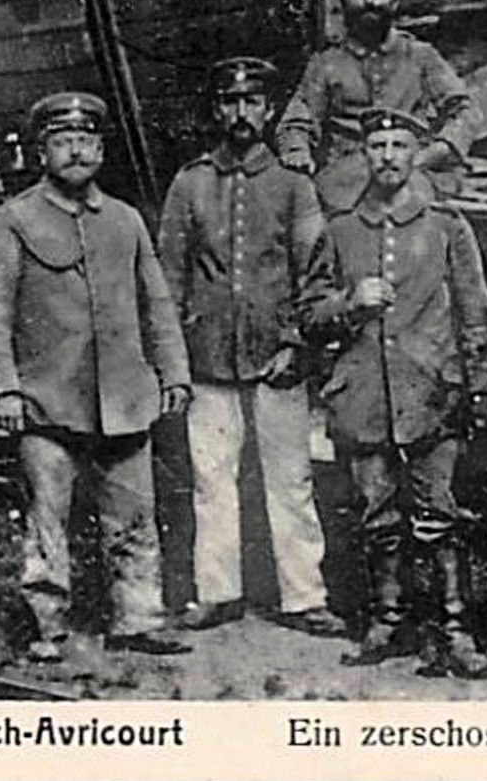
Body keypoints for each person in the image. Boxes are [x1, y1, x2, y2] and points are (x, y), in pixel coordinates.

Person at [0, 91, 192, 661]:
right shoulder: (12, 221)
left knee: (134, 517)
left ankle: (138, 618)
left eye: (86, 141)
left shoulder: (125, 221)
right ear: (42, 153)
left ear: (101, 150)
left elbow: (157, 307)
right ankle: (49, 626)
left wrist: (174, 374)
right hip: (46, 401)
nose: (75, 152)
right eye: (62, 142)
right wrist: (4, 388)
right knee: (49, 522)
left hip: (124, 399)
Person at [297, 107, 487, 676]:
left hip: (432, 394)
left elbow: (475, 314)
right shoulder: (340, 230)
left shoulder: (447, 226)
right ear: (364, 154)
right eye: (377, 146)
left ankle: (454, 628)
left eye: (399, 145)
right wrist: (348, 302)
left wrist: (478, 391)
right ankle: (387, 620)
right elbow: (309, 314)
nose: (387, 156)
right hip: (364, 397)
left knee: (439, 515)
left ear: (416, 154)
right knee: (376, 516)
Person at [156, 57, 349, 638]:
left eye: (252, 103)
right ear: (217, 110)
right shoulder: (190, 184)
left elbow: (316, 274)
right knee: (211, 480)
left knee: (291, 481)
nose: (241, 113)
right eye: (230, 102)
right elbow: (168, 279)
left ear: (268, 111)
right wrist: (176, 361)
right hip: (209, 359)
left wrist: (297, 345)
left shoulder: (294, 186)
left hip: (277, 362)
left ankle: (304, 597)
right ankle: (218, 593)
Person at [273, 0, 482, 212]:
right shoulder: (326, 63)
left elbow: (465, 110)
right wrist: (297, 151)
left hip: (410, 177)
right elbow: (299, 119)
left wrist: (432, 154)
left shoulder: (420, 56)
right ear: (343, 4)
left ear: (394, 4)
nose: (370, 1)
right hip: (343, 181)